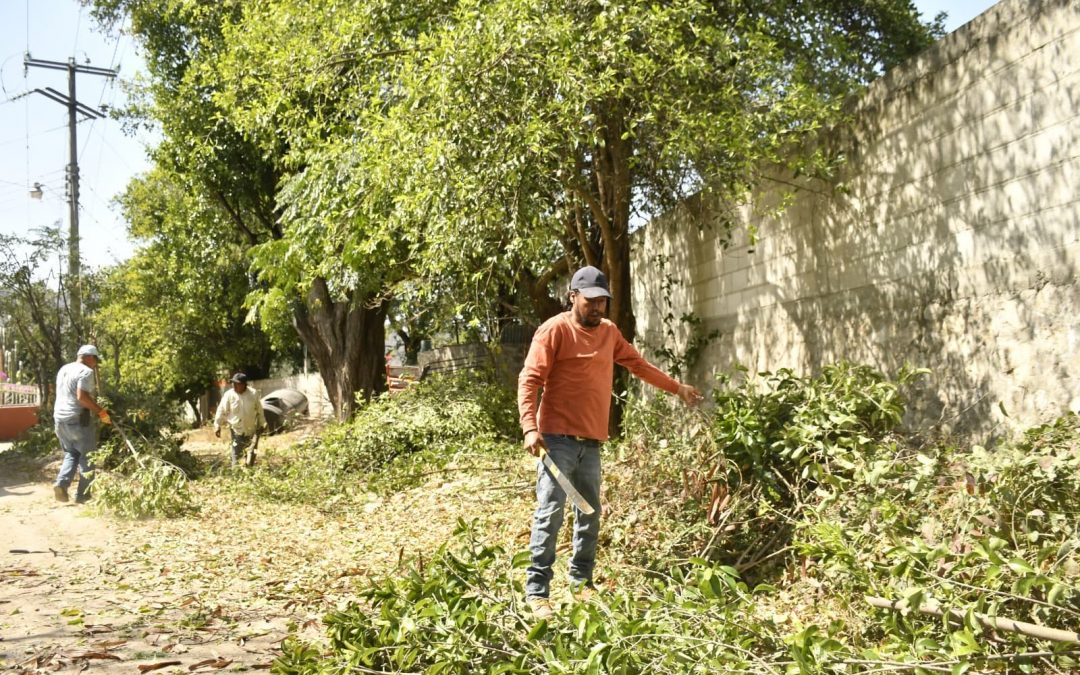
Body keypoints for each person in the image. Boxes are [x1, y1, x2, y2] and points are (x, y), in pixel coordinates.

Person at [518, 265, 703, 618]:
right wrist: (530, 427)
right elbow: (529, 380)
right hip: (557, 439)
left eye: (602, 302)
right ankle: (537, 591)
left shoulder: (608, 332)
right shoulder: (554, 331)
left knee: (589, 513)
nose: (597, 308)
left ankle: (580, 583)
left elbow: (638, 365)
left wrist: (677, 388)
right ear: (573, 296)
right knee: (550, 511)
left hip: (592, 441)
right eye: (590, 301)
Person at [53, 344, 110, 504]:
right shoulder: (86, 371)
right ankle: (83, 495)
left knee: (71, 453)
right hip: (78, 420)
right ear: (89, 357)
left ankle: (61, 485)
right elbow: (82, 397)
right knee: (88, 457)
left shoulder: (64, 368)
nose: (96, 364)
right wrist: (101, 412)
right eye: (96, 359)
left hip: (60, 419)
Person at [214, 372, 267, 466]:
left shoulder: (253, 394)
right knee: (236, 454)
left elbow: (259, 411)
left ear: (244, 384)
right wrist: (217, 425)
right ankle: (236, 473)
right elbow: (221, 410)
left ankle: (250, 472)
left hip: (252, 430)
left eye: (237, 383)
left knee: (251, 454)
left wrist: (263, 424)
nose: (234, 385)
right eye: (233, 383)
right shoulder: (229, 395)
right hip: (236, 430)